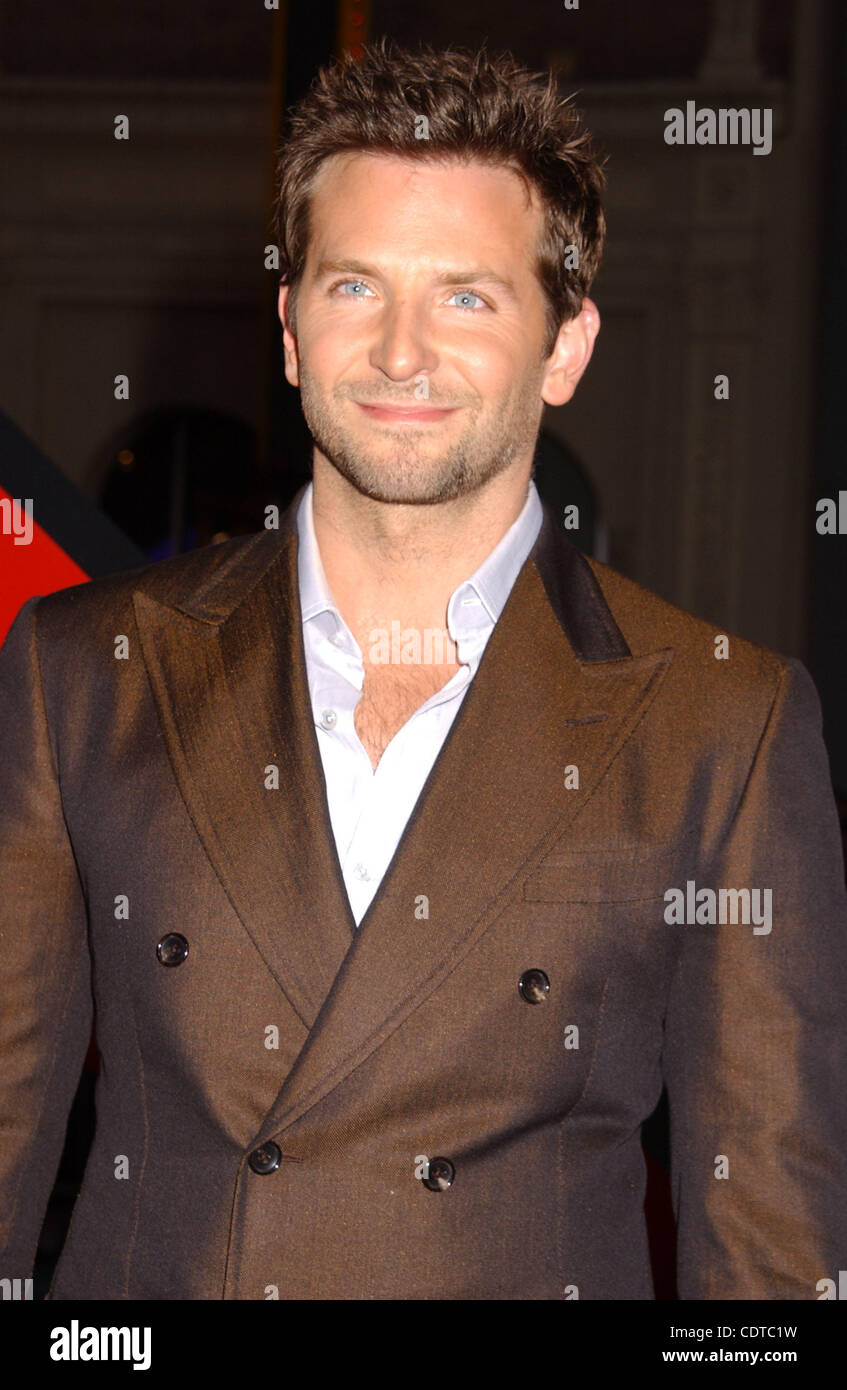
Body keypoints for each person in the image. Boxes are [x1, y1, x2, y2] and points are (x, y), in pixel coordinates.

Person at [1, 38, 845, 1302]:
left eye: (466, 296)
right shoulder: (81, 671)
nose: (401, 352)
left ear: (564, 347)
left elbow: (770, 1256)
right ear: (290, 328)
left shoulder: (723, 723)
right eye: (353, 288)